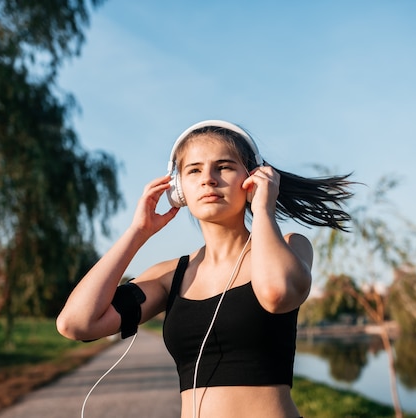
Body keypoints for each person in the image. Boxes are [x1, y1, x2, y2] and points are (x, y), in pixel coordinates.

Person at [57, 120, 353, 418]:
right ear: (179, 189)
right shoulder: (169, 277)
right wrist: (138, 232)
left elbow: (277, 293)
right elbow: (77, 323)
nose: (208, 179)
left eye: (223, 167)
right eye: (194, 170)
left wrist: (263, 208)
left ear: (252, 178)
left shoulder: (290, 246)